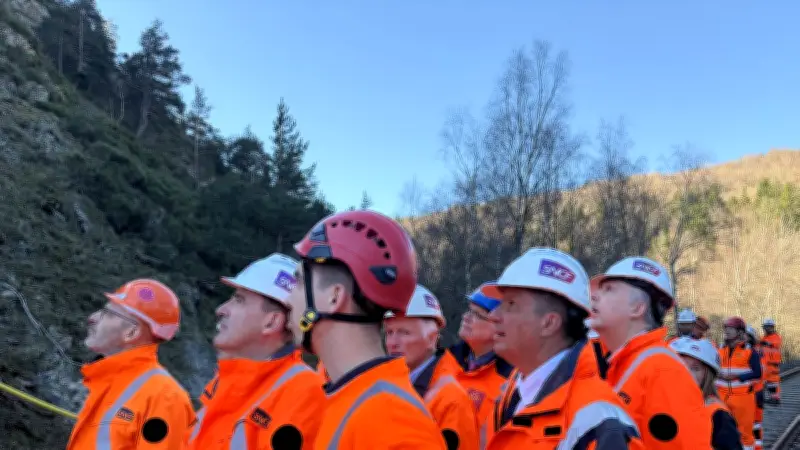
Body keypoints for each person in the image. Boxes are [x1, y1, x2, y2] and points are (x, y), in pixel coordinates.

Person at [285, 210, 446, 449]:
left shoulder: (391, 425)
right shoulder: (352, 397)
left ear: (334, 296)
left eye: (297, 282)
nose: (287, 299)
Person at [481, 248, 643, 449]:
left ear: (549, 323)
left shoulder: (601, 425)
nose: (493, 315)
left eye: (511, 304)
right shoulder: (512, 395)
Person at [188, 253, 326, 450]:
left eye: (239, 300)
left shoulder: (305, 396)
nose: (221, 309)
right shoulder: (226, 383)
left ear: (271, 322)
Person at [590, 256, 711, 449]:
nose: (594, 296)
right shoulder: (618, 363)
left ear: (637, 308)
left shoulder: (663, 373)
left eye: (609, 290)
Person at [67, 279, 195, 449]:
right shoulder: (108, 382)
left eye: (108, 313)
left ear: (131, 332)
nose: (92, 318)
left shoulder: (164, 398)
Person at [384, 284, 480, 450]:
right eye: (389, 333)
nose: (392, 343)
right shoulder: (391, 384)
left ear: (432, 337)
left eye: (404, 332)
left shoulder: (450, 400)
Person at [442, 284, 513, 448]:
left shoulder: (511, 380)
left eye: (477, 315)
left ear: (499, 325)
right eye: (469, 310)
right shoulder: (444, 362)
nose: (466, 317)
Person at [670, 337, 743, 450]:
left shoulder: (718, 415)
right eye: (681, 366)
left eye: (695, 368)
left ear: (707, 376)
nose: (687, 373)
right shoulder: (668, 405)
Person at [717, 317, 761, 450]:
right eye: (725, 328)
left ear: (740, 332)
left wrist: (738, 376)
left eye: (730, 328)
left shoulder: (750, 351)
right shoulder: (719, 350)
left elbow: (757, 373)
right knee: (719, 433)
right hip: (721, 398)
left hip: (743, 398)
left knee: (744, 435)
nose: (727, 331)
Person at [745, 325, 765, 450]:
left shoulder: (751, 353)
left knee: (753, 424)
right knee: (755, 424)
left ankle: (755, 446)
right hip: (756, 392)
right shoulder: (758, 352)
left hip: (753, 392)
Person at [760, 318, 782, 404]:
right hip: (764, 365)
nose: (766, 328)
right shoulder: (763, 338)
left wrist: (767, 343)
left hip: (773, 364)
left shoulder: (776, 337)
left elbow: (775, 343)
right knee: (767, 382)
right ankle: (772, 398)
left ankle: (776, 399)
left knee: (773, 382)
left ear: (772, 327)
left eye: (768, 327)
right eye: (765, 327)